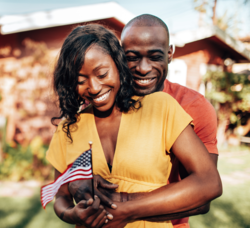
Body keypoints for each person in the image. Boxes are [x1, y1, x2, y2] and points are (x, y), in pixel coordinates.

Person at [47, 24, 222, 228]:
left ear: (117, 64)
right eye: (80, 80)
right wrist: (73, 214)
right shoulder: (69, 128)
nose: (94, 88)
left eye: (102, 74)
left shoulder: (161, 107)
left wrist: (125, 209)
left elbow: (208, 184)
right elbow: (60, 195)